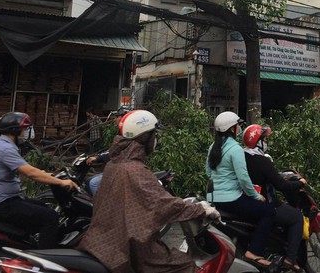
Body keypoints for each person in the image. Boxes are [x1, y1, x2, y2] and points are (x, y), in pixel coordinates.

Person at [79, 110, 218, 273]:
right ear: (144, 137)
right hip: (128, 248)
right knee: (185, 265)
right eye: (153, 134)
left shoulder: (114, 165)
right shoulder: (135, 170)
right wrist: (201, 210)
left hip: (103, 241)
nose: (155, 140)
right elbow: (163, 204)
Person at [0, 112, 79, 248]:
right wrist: (61, 182)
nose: (25, 133)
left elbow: (24, 169)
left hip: (4, 199)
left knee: (42, 207)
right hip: (1, 203)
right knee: (50, 216)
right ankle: (45, 257)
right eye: (24, 129)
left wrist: (46, 174)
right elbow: (31, 173)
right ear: (15, 130)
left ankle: (24, 244)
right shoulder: (5, 149)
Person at [206, 111, 276, 268]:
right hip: (231, 199)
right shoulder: (235, 149)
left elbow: (208, 172)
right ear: (231, 129)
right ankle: (254, 251)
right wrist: (256, 196)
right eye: (237, 125)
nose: (239, 128)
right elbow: (243, 178)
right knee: (268, 212)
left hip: (212, 198)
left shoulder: (213, 147)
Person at [243, 124, 307, 271]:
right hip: (266, 204)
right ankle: (290, 259)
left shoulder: (242, 156)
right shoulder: (262, 160)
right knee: (297, 217)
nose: (266, 142)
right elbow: (281, 185)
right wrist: (299, 183)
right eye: (264, 139)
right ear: (257, 141)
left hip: (247, 202)